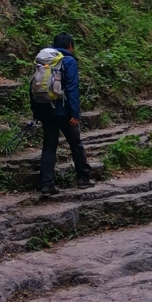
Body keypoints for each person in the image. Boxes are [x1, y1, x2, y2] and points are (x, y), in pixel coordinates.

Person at [30, 32, 96, 199]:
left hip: (45, 111)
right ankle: (83, 178)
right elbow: (73, 88)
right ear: (69, 46)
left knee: (49, 146)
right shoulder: (68, 61)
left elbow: (32, 86)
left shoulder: (43, 61)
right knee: (76, 144)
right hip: (64, 112)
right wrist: (75, 113)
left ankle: (47, 184)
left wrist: (36, 112)